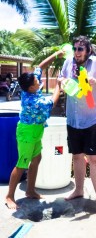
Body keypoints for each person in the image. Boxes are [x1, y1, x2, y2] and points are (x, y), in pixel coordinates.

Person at [5, 50, 64, 209]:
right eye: (37, 81)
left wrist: (56, 54)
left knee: (37, 159)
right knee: (22, 164)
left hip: (37, 130)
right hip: (27, 132)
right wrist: (59, 85)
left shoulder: (30, 87)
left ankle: (30, 191)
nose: (39, 80)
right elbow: (53, 102)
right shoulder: (35, 102)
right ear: (31, 87)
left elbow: (40, 66)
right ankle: (9, 196)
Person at [61, 36, 96, 214]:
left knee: (95, 159)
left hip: (93, 119)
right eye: (74, 48)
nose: (76, 52)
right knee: (76, 156)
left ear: (88, 50)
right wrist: (63, 82)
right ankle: (79, 189)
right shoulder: (68, 62)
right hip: (73, 119)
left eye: (80, 49)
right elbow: (61, 80)